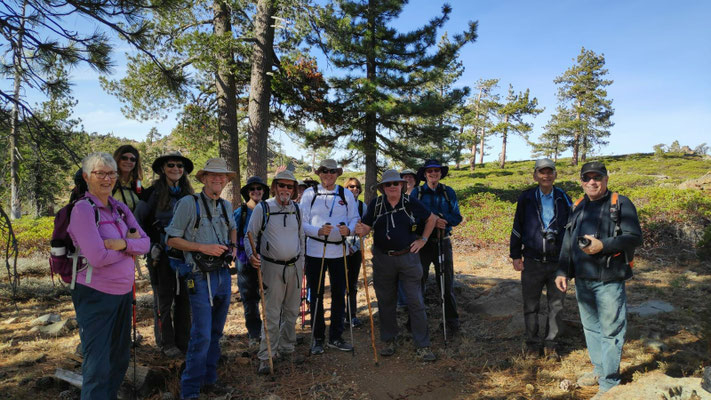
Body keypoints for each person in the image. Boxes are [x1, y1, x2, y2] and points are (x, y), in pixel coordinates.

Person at [555, 161, 642, 398]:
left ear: (606, 178)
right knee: (591, 329)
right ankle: (600, 370)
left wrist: (604, 245)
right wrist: (562, 271)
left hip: (609, 280)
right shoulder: (579, 205)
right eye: (587, 178)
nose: (592, 182)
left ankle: (609, 384)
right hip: (583, 280)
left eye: (597, 177)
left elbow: (634, 237)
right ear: (581, 181)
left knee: (611, 331)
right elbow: (568, 241)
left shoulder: (620, 203)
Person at [68, 152, 149, 399]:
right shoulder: (83, 210)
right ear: (86, 177)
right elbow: (98, 258)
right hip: (95, 295)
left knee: (119, 358)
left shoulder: (119, 207)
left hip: (123, 293)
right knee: (98, 364)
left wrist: (122, 245)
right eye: (100, 173)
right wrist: (129, 247)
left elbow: (145, 244)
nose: (107, 178)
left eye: (111, 173)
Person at [165, 158, 238, 399]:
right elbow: (172, 239)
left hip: (222, 275)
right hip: (198, 276)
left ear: (227, 180)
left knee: (216, 332)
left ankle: (209, 380)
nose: (218, 179)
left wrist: (234, 246)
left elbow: (232, 229)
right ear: (204, 178)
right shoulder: (189, 203)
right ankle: (190, 390)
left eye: (222, 176)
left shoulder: (226, 206)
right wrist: (202, 248)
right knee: (202, 334)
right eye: (213, 176)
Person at [355, 169, 438, 362]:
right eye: (388, 184)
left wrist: (423, 240)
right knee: (386, 301)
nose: (392, 187)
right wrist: (361, 230)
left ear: (402, 185)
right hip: (383, 259)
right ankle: (390, 340)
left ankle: (423, 345)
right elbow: (367, 226)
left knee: (415, 301)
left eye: (395, 183)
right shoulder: (376, 204)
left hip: (408, 257)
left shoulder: (410, 202)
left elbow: (431, 219)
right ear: (383, 188)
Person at [134, 151, 195, 358]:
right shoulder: (150, 194)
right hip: (160, 255)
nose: (176, 169)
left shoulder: (189, 195)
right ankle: (166, 343)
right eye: (171, 165)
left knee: (185, 298)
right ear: (162, 169)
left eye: (180, 166)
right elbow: (137, 223)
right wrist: (150, 245)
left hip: (186, 255)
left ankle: (183, 341)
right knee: (164, 300)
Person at [509, 158, 571, 359]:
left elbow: (572, 230)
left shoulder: (564, 198)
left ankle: (551, 343)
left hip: (557, 262)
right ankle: (532, 344)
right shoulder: (526, 197)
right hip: (532, 261)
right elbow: (517, 227)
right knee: (531, 305)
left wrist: (570, 259)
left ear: (555, 174)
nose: (546, 176)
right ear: (535, 175)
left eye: (550, 172)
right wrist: (516, 254)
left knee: (556, 305)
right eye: (542, 172)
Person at [245, 170, 305, 374]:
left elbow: (301, 238)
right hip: (271, 267)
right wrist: (252, 256)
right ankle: (267, 355)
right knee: (271, 313)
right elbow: (249, 236)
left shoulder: (297, 209)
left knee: (291, 311)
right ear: (275, 187)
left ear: (294, 189)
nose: (285, 190)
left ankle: (287, 348)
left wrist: (302, 263)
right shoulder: (263, 208)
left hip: (295, 267)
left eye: (290, 186)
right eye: (282, 185)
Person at [300, 159, 358, 354]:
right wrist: (318, 231)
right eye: (324, 171)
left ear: (337, 174)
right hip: (315, 251)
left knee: (339, 294)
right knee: (315, 295)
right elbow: (302, 222)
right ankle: (317, 337)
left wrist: (348, 229)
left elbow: (354, 218)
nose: (328, 175)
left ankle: (336, 336)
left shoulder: (345, 193)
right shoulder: (309, 194)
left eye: (332, 171)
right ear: (319, 173)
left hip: (339, 251)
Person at [411, 159, 462, 334]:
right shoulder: (416, 193)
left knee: (446, 283)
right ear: (425, 174)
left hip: (443, 241)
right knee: (419, 281)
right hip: (422, 243)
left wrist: (441, 218)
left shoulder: (448, 192)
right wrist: (431, 221)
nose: (433, 174)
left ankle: (451, 323)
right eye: (430, 171)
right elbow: (412, 217)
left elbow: (456, 217)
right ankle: (415, 322)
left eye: (436, 171)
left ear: (441, 173)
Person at [234, 176, 269, 348]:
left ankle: (270, 332)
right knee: (250, 298)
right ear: (247, 192)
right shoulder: (240, 212)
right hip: (245, 261)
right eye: (252, 189)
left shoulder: (268, 210)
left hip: (267, 260)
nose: (256, 191)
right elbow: (234, 235)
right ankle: (254, 333)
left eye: (259, 189)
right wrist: (248, 255)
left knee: (269, 296)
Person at [343, 177, 367, 328]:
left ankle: (351, 316)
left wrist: (355, 247)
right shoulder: (339, 205)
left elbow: (365, 230)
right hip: (339, 249)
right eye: (351, 187)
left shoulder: (362, 206)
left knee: (352, 283)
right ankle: (339, 315)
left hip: (355, 250)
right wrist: (345, 247)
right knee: (339, 283)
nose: (354, 189)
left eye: (357, 187)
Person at [112, 144, 144, 211]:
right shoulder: (109, 181)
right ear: (117, 159)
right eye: (124, 158)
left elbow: (143, 198)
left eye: (132, 159)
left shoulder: (137, 183)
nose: (128, 161)